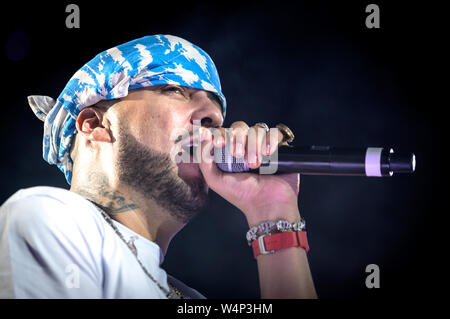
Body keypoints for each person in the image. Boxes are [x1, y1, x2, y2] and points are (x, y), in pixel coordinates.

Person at [0, 34, 317, 299]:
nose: (213, 117)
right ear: (94, 124)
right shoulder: (49, 218)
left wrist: (274, 215)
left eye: (215, 106)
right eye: (175, 89)